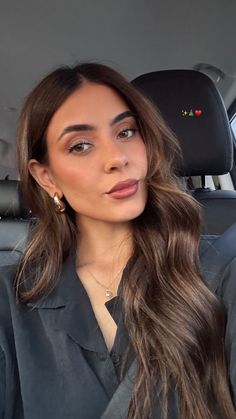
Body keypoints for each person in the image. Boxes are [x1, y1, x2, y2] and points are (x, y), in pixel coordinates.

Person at [0, 63, 235, 419]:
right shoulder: (8, 301)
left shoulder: (223, 270)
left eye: (126, 132)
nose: (117, 158)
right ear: (46, 178)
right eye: (80, 146)